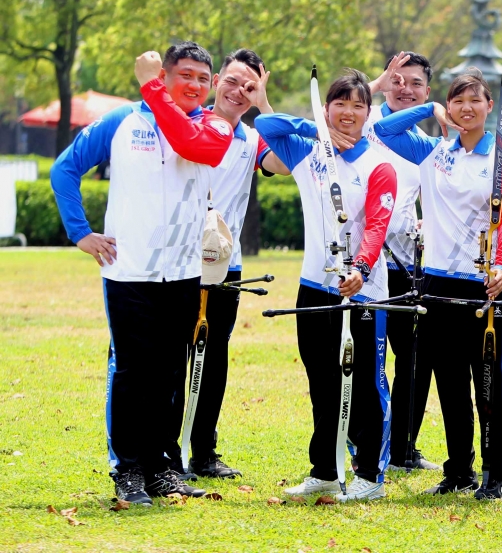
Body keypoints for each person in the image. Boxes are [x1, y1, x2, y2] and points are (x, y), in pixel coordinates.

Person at [50, 42, 234, 505]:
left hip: (185, 272)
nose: (194, 86)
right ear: (166, 74)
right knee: (134, 371)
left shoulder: (212, 125)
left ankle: (159, 467)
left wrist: (155, 90)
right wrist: (81, 233)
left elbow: (194, 147)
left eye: (202, 79)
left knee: (171, 371)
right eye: (184, 75)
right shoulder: (122, 121)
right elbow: (64, 168)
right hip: (129, 271)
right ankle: (128, 469)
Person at [374, 70, 502, 501]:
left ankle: (495, 473)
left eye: (475, 101)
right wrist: (431, 110)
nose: (466, 108)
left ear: (490, 107)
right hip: (437, 283)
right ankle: (459, 469)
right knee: (449, 383)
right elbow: (385, 127)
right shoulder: (432, 151)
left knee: (489, 383)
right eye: (457, 101)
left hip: (485, 285)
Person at [256, 69, 397, 503]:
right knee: (321, 379)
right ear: (327, 107)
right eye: (340, 104)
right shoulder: (309, 152)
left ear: (368, 113)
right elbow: (264, 126)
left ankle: (370, 474)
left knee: (365, 384)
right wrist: (314, 127)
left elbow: (377, 225)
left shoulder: (380, 164)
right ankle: (325, 468)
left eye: (358, 106)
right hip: (314, 287)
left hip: (362, 289)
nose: (349, 113)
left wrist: (361, 267)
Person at [167, 48, 289, 479]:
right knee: (174, 359)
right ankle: (169, 454)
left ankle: (203, 453)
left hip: (226, 267)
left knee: (213, 357)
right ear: (217, 81)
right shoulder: (189, 125)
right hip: (181, 264)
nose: (240, 91)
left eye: (250, 86)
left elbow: (287, 163)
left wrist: (266, 106)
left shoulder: (253, 139)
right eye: (234, 82)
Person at [361, 51, 439, 472]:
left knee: (414, 358)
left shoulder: (428, 143)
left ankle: (405, 448)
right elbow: (323, 117)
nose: (404, 88)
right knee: (367, 358)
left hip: (409, 263)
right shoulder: (363, 119)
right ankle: (367, 442)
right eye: (397, 80)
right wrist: (372, 85)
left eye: (414, 83)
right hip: (364, 264)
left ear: (428, 92)